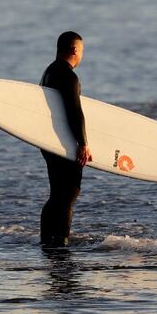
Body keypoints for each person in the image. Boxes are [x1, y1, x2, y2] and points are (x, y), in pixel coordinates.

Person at [39, 31, 92, 248]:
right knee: (68, 193)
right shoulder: (69, 76)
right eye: (82, 51)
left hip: (49, 142)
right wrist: (83, 143)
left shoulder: (49, 72)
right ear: (74, 50)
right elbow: (74, 110)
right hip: (63, 142)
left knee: (57, 194)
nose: (82, 56)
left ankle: (46, 242)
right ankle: (60, 243)